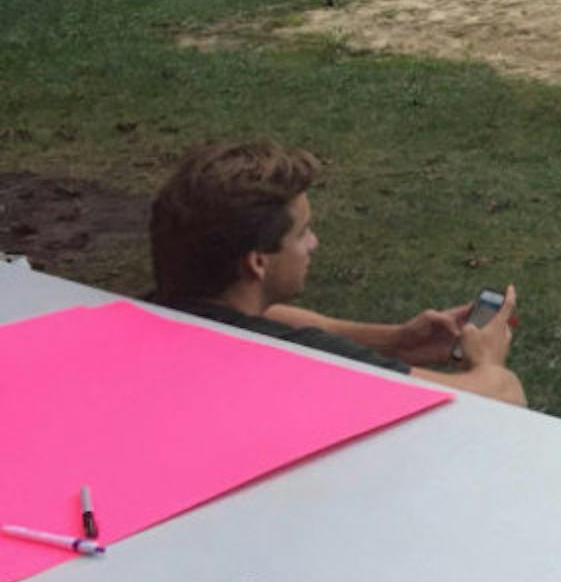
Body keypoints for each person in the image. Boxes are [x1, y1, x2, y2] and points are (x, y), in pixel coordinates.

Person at [148, 141, 525, 405]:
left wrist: (394, 342)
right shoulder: (301, 361)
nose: (313, 243)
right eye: (302, 233)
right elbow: (499, 398)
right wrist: (486, 360)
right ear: (257, 263)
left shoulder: (159, 311)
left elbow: (268, 318)